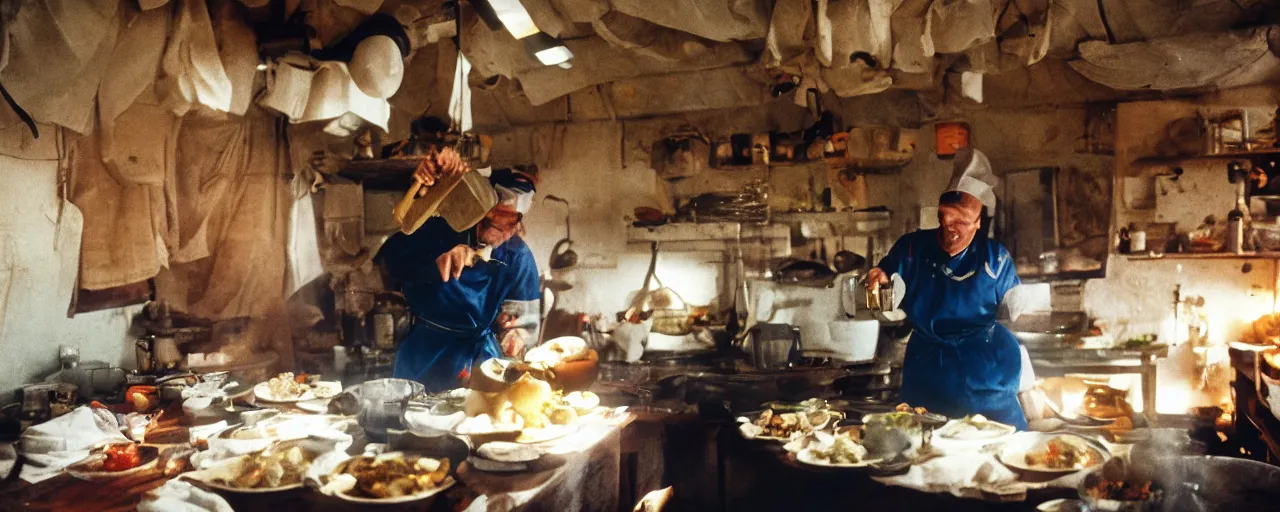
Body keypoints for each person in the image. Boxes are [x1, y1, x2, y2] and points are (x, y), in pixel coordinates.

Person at [866, 148, 1027, 429]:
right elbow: (884, 277)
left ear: (978, 223)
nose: (950, 227)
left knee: (997, 441)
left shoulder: (995, 257)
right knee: (923, 440)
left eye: (962, 221)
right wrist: (878, 276)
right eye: (945, 217)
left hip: (983, 367)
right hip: (928, 365)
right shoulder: (912, 248)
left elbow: (1012, 310)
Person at [376, 148, 541, 391]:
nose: (500, 229)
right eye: (494, 218)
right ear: (481, 210)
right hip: (424, 359)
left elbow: (521, 326)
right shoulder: (438, 230)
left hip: (481, 363)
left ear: (519, 221)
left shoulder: (518, 257)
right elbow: (389, 266)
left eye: (510, 221)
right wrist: (434, 267)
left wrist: (512, 347)